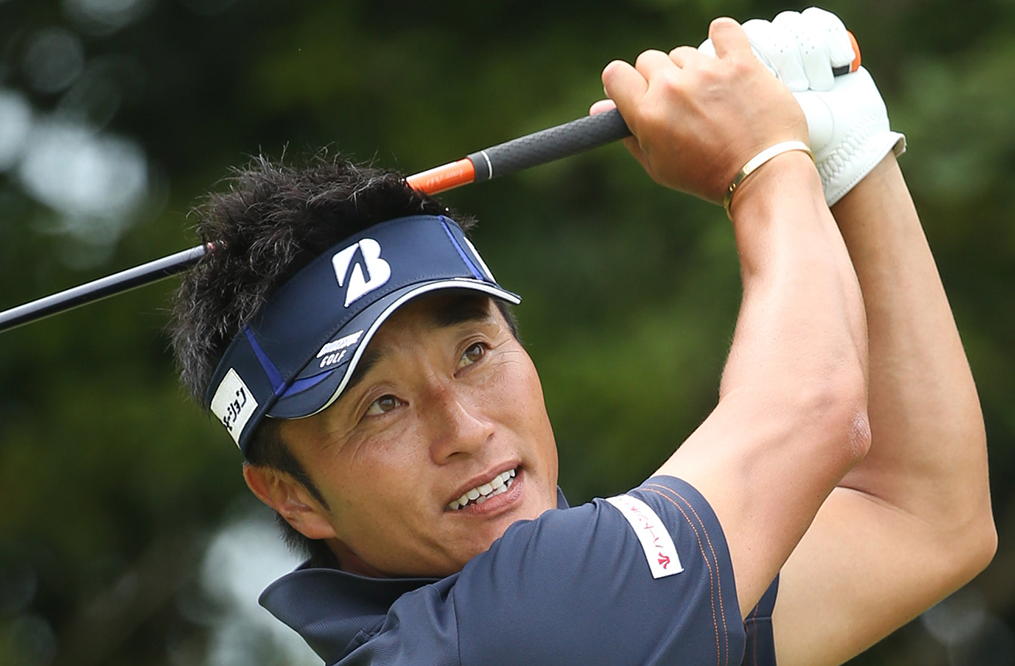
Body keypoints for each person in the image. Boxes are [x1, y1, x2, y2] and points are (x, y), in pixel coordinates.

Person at [168, 8, 995, 665]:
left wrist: (848, 159)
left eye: (475, 353)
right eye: (381, 405)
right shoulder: (501, 632)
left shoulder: (591, 617)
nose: (465, 430)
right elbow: (814, 411)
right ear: (292, 495)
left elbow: (924, 519)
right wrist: (765, 160)